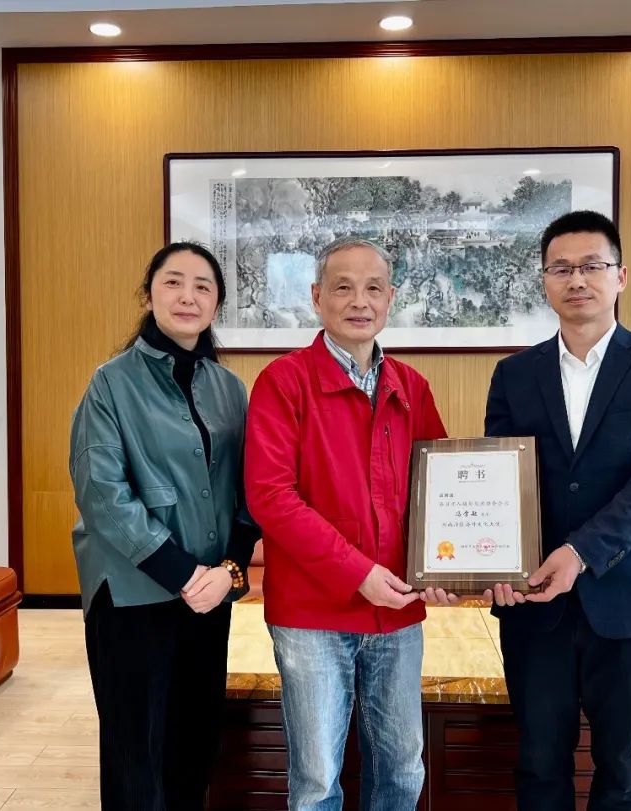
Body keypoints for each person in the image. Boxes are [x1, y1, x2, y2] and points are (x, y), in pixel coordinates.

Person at [483, 210, 631, 811]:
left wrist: (580, 552)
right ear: (544, 280)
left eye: (592, 266)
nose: (576, 279)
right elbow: (502, 482)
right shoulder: (513, 374)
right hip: (534, 599)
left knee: (629, 772)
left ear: (620, 275)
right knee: (538, 765)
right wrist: (495, 560)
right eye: (561, 268)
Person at [245, 237, 447, 811]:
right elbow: (270, 497)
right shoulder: (283, 382)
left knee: (403, 768)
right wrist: (358, 573)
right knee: (316, 781)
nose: (360, 301)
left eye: (373, 288)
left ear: (391, 297)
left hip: (398, 608)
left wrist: (444, 567)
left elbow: (438, 493)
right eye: (343, 287)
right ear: (317, 297)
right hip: (313, 613)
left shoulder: (411, 387)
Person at [69, 241, 257, 810]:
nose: (187, 296)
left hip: (209, 594)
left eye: (203, 286)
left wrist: (228, 571)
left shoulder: (228, 388)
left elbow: (252, 489)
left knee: (195, 743)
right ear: (149, 294)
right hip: (133, 593)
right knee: (136, 751)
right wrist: (182, 573)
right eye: (173, 282)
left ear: (217, 303)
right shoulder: (111, 383)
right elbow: (103, 493)